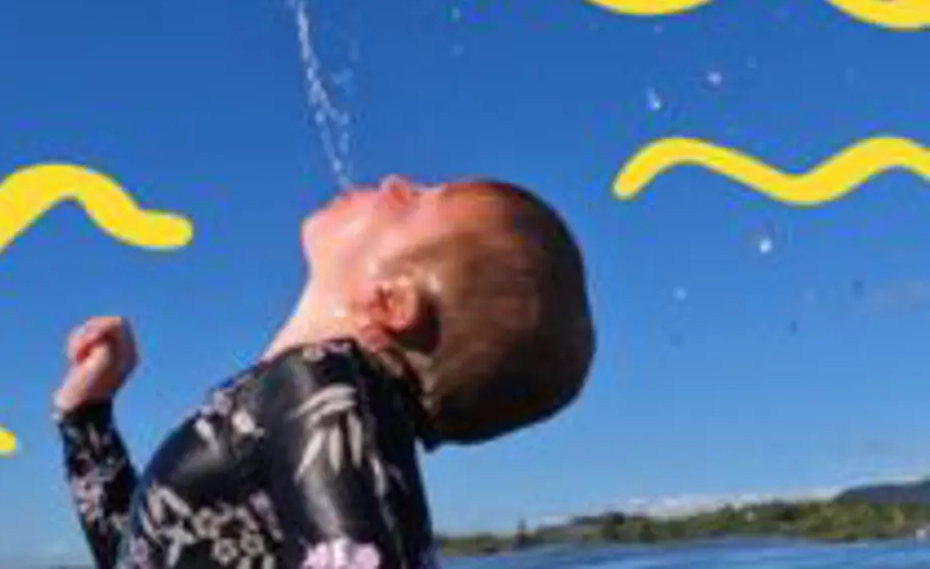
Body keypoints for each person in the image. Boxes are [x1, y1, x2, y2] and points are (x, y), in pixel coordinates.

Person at [53, 175, 595, 569]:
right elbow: (142, 554)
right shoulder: (297, 405)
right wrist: (86, 418)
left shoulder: (327, 388)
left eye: (410, 200)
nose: (393, 179)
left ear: (392, 301)